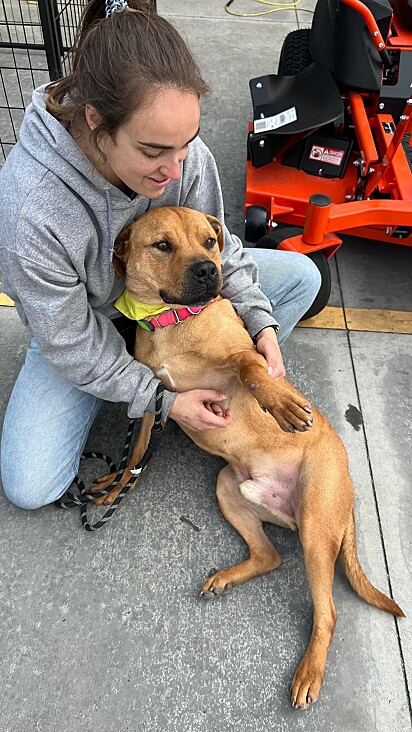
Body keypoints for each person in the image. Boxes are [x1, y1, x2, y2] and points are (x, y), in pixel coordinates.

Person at [0, 0, 321, 511]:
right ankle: (157, 380)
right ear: (97, 123)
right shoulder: (32, 210)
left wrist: (259, 325)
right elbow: (66, 337)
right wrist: (162, 400)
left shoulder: (180, 151)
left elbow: (220, 250)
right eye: (153, 153)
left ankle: (201, 369)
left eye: (186, 145)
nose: (175, 170)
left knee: (302, 278)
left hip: (172, 307)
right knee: (30, 486)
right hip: (88, 324)